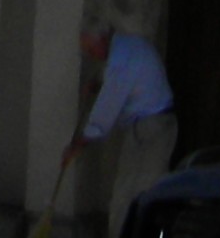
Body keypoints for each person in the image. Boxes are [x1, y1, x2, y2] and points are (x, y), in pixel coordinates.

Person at [62, 16, 177, 231]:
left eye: (90, 48)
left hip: (153, 131)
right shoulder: (126, 47)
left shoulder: (121, 60)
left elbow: (105, 113)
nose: (90, 54)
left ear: (102, 40)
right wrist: (97, 83)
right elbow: (116, 78)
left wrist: (78, 145)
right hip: (144, 128)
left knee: (142, 194)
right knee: (126, 194)